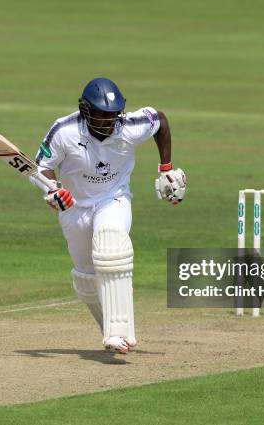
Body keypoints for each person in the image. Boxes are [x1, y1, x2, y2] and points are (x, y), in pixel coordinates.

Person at [31, 77, 186, 353]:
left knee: (111, 244)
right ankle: (111, 331)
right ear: (86, 110)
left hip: (113, 198)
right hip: (74, 207)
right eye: (101, 114)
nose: (107, 121)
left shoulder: (129, 126)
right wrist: (53, 190)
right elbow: (41, 168)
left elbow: (159, 120)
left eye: (112, 115)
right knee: (86, 276)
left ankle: (119, 331)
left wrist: (166, 168)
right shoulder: (64, 130)